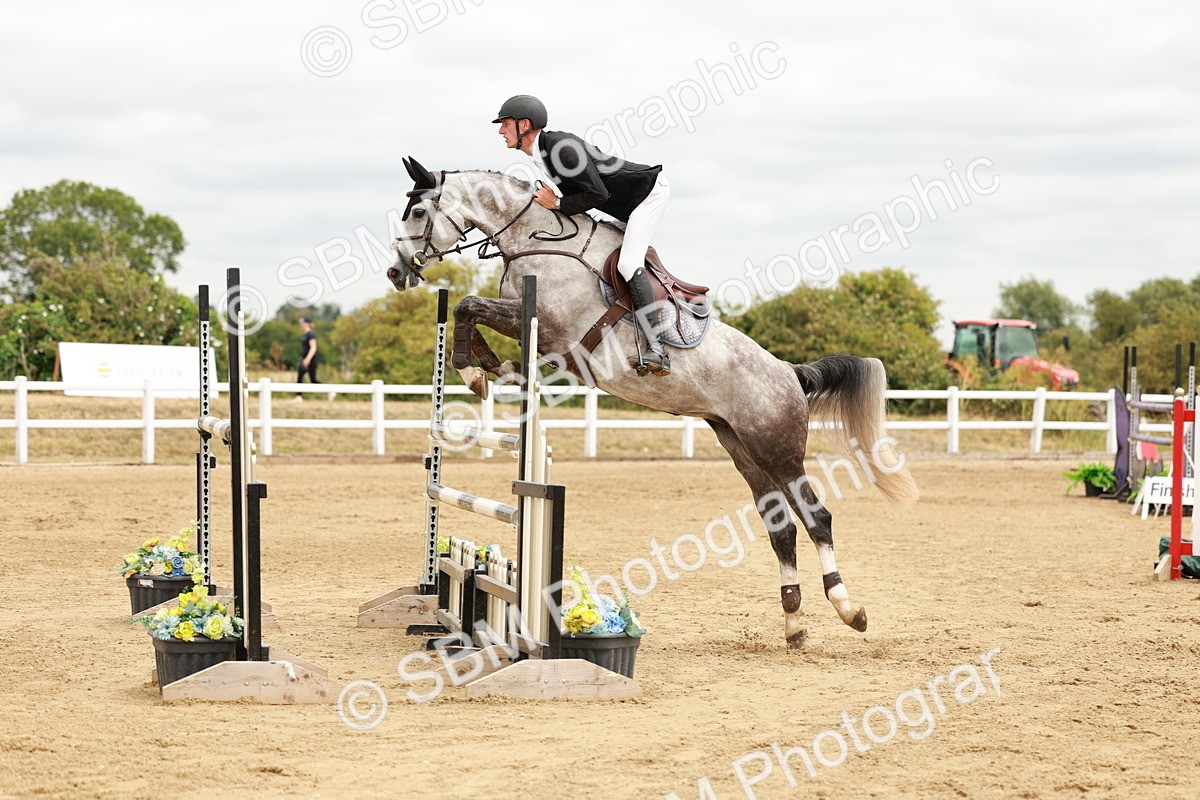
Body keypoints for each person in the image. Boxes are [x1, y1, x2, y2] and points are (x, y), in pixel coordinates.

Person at [493, 94, 671, 376]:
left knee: (628, 263)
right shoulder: (542, 155)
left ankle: (657, 348)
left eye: (505, 124)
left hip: (646, 197)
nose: (501, 131)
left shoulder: (560, 148)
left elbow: (597, 193)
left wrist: (558, 204)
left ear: (524, 124)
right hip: (624, 204)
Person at [295, 317, 335, 401]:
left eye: (302, 323)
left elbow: (313, 347)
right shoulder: (305, 335)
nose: (301, 325)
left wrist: (307, 359)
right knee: (300, 376)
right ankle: (299, 396)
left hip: (310, 360)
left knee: (313, 380)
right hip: (305, 359)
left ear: (307, 324)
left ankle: (329, 390)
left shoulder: (311, 334)